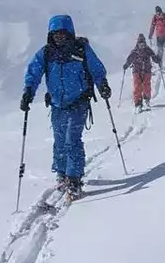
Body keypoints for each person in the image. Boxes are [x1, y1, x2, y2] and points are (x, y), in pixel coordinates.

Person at [21, 14, 111, 198]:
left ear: (69, 33)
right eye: (55, 34)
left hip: (78, 101)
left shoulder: (81, 49)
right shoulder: (47, 53)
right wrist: (28, 91)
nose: (59, 37)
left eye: (62, 34)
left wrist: (102, 84)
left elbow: (96, 68)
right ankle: (62, 173)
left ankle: (74, 178)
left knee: (72, 140)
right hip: (57, 104)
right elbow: (34, 71)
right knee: (60, 140)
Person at [123, 33, 162, 112]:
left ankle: (147, 100)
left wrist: (157, 59)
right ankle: (138, 103)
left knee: (146, 85)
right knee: (137, 86)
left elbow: (154, 57)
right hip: (137, 71)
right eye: (140, 44)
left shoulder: (148, 50)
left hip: (147, 70)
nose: (142, 45)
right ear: (138, 43)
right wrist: (126, 65)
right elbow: (129, 59)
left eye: (143, 43)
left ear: (145, 43)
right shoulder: (134, 51)